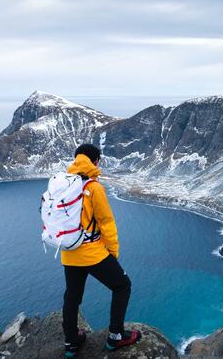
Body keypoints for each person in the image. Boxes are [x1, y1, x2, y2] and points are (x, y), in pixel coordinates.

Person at [61, 143, 141, 357]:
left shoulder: (64, 183)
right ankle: (116, 337)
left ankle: (71, 342)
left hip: (69, 252)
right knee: (122, 285)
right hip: (92, 252)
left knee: (72, 297)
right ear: (95, 161)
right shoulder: (93, 187)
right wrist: (113, 252)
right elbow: (106, 222)